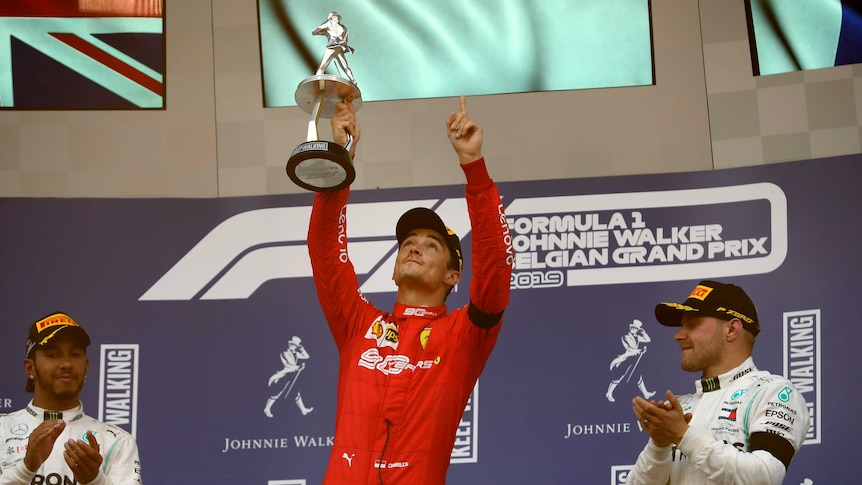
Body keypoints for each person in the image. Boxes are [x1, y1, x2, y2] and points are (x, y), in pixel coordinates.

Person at [307, 94, 512, 484]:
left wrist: (474, 167)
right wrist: (338, 158)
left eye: (431, 245)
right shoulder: (357, 325)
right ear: (394, 272)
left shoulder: (463, 337)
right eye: (408, 242)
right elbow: (325, 253)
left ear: (453, 277)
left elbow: (496, 270)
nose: (415, 246)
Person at [627, 280, 809, 485]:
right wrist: (659, 445)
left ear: (731, 329)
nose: (678, 335)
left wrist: (682, 436)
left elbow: (765, 476)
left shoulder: (771, 392)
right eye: (681, 325)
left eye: (693, 324)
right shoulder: (682, 407)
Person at [0, 312, 142, 484]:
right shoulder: (3, 430)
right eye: (53, 355)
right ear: (30, 368)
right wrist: (25, 469)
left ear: (86, 366)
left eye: (75, 354)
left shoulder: (116, 441)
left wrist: (94, 480)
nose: (67, 364)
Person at [264, 336, 313, 418]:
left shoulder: (296, 354)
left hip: (292, 376)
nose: (292, 346)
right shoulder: (285, 353)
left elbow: (307, 357)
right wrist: (299, 367)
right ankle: (267, 408)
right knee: (277, 392)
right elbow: (289, 365)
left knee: (296, 392)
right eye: (291, 344)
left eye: (294, 345)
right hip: (285, 375)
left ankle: (303, 410)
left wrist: (302, 349)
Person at [606, 319, 654, 402]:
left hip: (634, 360)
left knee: (639, 376)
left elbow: (648, 340)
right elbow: (631, 349)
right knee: (619, 376)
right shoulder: (626, 337)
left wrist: (643, 333)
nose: (633, 329)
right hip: (626, 359)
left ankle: (645, 393)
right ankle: (609, 393)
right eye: (632, 327)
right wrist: (640, 351)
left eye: (635, 328)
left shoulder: (638, 337)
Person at [313, 11, 357, 84]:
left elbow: (317, 30)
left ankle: (319, 83)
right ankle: (353, 80)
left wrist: (317, 32)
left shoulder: (329, 23)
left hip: (331, 48)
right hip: (340, 48)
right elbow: (345, 40)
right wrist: (323, 33)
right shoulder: (343, 28)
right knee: (345, 66)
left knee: (321, 68)